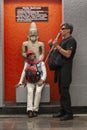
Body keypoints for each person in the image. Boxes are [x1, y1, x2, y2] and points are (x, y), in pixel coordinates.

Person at [51, 23, 77, 121]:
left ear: (68, 30)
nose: (60, 30)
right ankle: (63, 111)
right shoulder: (63, 40)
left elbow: (67, 55)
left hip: (66, 69)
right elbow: (59, 52)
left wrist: (57, 46)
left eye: (63, 28)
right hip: (60, 69)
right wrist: (53, 46)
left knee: (65, 91)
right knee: (61, 91)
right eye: (61, 28)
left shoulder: (71, 41)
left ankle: (69, 113)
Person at [17, 49, 47, 118]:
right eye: (29, 55)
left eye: (31, 54)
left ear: (34, 55)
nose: (30, 56)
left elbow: (44, 73)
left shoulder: (41, 63)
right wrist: (20, 82)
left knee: (38, 92)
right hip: (30, 82)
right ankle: (30, 110)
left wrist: (42, 80)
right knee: (30, 92)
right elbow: (23, 72)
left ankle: (35, 110)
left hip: (39, 81)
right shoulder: (27, 63)